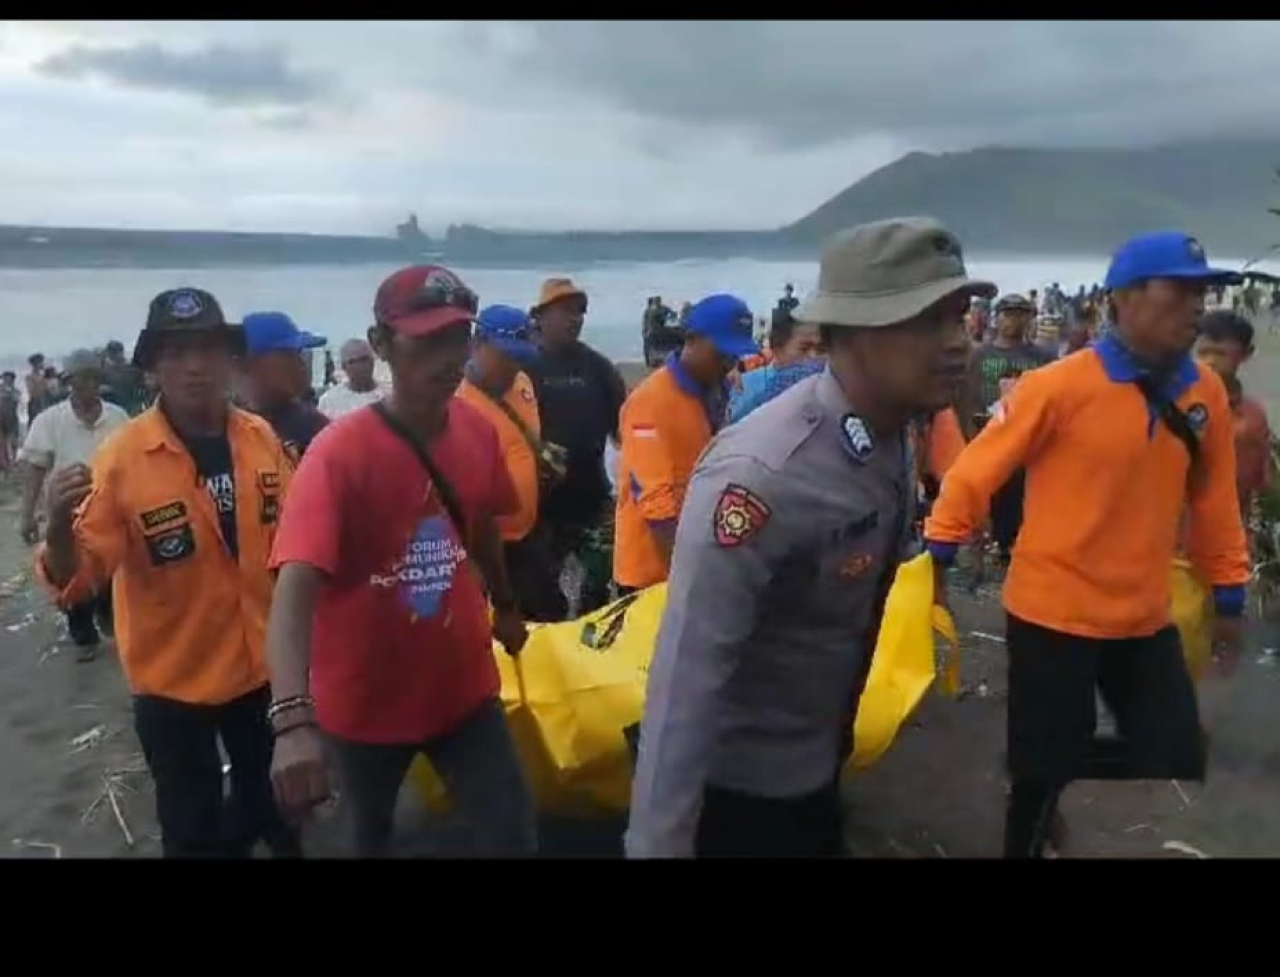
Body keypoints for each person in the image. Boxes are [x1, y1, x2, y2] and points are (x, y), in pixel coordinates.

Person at [626, 217, 984, 858]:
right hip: (737, 799)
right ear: (851, 335)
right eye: (929, 321)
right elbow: (685, 683)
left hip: (817, 767)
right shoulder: (761, 477)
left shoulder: (891, 436)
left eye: (960, 317)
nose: (958, 342)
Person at [924, 231, 1251, 859]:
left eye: (1201, 292)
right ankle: (1035, 799)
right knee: (1042, 779)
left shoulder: (1203, 392)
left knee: (1174, 747)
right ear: (1124, 298)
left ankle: (1034, 754)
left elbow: (1214, 500)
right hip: (1053, 609)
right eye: (1179, 291)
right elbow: (976, 470)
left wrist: (1229, 593)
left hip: (1142, 612)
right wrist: (939, 552)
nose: (1195, 306)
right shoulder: (1058, 386)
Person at [265, 265, 537, 858]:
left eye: (457, 339)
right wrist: (291, 721)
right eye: (427, 340)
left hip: (463, 691)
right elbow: (293, 588)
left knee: (512, 836)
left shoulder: (476, 431)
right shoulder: (338, 454)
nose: (446, 358)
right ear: (383, 343)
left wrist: (506, 604)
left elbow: (483, 520)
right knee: (360, 844)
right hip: (361, 710)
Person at [35, 288, 299, 858]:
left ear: (230, 359)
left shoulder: (260, 439)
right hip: (173, 685)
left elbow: (297, 545)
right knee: (190, 828)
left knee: (280, 806)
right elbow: (79, 577)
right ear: (152, 368)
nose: (195, 366)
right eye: (176, 353)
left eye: (206, 349)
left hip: (262, 668)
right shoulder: (123, 458)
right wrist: (57, 527)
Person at [614, 294, 757, 595]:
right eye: (722, 353)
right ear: (691, 340)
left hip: (702, 552)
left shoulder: (721, 389)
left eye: (735, 354)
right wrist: (687, 581)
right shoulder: (650, 403)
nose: (729, 363)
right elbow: (656, 505)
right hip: (653, 572)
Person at [456, 305, 568, 622]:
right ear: (476, 345)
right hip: (485, 547)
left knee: (550, 615)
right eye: (505, 355)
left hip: (530, 534)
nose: (513, 365)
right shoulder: (456, 403)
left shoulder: (523, 384)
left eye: (521, 357)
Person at [19, 349, 129, 659]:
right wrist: (27, 515)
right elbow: (35, 469)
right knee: (71, 579)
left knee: (113, 573)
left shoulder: (118, 417)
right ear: (68, 383)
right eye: (80, 380)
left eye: (93, 379)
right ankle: (84, 637)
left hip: (110, 512)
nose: (87, 386)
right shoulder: (49, 421)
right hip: (67, 516)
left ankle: (108, 614)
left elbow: (134, 462)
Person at [527, 277, 627, 613]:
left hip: (592, 499)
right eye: (565, 310)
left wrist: (624, 494)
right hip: (540, 508)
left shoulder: (598, 368)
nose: (576, 318)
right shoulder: (521, 369)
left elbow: (624, 435)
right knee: (541, 599)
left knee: (597, 592)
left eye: (580, 311)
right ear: (538, 317)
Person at [957, 293, 1053, 564]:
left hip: (1029, 441)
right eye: (1008, 314)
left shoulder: (1043, 357)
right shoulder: (978, 356)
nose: (1014, 320)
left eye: (1021, 314)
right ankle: (988, 544)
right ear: (996, 318)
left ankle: (1015, 544)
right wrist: (967, 432)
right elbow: (964, 396)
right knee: (988, 493)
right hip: (986, 435)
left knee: (1023, 495)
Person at [1193, 310, 1273, 521]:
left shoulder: (1253, 415)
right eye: (1203, 353)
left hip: (1233, 525)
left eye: (1220, 354)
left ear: (1246, 353)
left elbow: (1262, 481)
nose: (1209, 362)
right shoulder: (1177, 406)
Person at [238, 312, 330, 461]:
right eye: (289, 354)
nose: (301, 363)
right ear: (253, 363)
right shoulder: (224, 429)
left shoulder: (314, 427)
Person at [728, 311, 824, 422]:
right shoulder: (743, 387)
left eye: (821, 349)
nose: (814, 356)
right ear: (776, 348)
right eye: (804, 349)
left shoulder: (828, 387)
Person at [317, 338, 385, 419]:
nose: (359, 366)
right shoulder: (328, 401)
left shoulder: (388, 397)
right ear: (343, 366)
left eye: (364, 359)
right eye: (352, 362)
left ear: (372, 361)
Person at [0, 370, 20, 471]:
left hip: (12, 417)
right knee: (2, 442)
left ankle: (13, 461)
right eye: (4, 378)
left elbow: (17, 400)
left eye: (8, 378)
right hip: (1, 417)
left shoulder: (15, 391)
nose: (6, 380)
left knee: (13, 442)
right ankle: (4, 463)